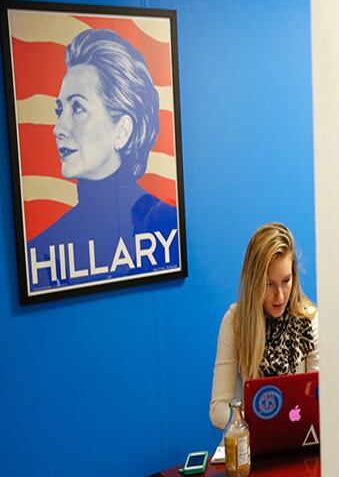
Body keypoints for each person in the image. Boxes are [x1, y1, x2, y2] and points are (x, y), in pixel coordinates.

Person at [26, 29, 178, 291]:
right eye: (59, 110)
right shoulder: (41, 249)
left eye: (78, 108)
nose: (58, 128)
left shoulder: (168, 225)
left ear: (122, 131)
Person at [210, 223, 319, 430]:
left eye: (286, 281)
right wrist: (249, 419)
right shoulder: (235, 322)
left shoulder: (309, 319)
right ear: (254, 282)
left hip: (298, 437)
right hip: (250, 443)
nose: (279, 295)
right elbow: (217, 409)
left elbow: (319, 400)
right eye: (269, 284)